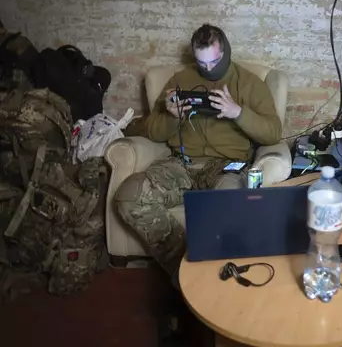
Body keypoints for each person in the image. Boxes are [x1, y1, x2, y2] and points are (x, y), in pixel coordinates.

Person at [114, 24, 282, 279]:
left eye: (215, 61)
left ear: (225, 51)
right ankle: (183, 272)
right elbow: (155, 132)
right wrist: (172, 116)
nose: (209, 69)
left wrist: (238, 113)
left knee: (228, 204)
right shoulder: (180, 80)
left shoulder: (249, 84)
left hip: (226, 165)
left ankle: (205, 278)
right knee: (129, 195)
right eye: (202, 63)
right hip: (181, 164)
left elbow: (273, 133)